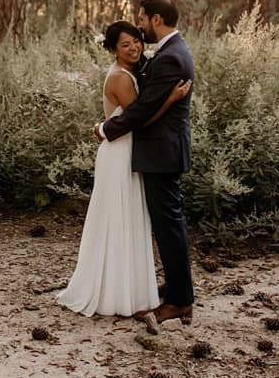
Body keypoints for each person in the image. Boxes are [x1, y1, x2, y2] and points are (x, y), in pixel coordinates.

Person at [57, 20, 191, 324]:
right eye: (124, 45)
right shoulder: (120, 79)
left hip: (131, 152)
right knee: (119, 221)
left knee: (130, 219)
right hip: (120, 155)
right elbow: (140, 119)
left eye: (136, 41)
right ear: (112, 50)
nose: (133, 48)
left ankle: (133, 290)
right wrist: (169, 99)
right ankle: (116, 293)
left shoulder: (137, 69)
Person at [95, 0, 196, 328]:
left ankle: (180, 301)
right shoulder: (169, 52)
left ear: (155, 19)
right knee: (167, 224)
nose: (138, 27)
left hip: (161, 152)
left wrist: (106, 129)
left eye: (140, 20)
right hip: (159, 151)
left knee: (169, 226)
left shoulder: (170, 57)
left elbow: (143, 110)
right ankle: (178, 288)